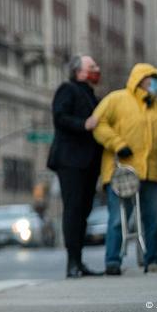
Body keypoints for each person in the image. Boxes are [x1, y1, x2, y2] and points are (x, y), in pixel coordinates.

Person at [91, 63, 157, 276]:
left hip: (151, 172)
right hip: (121, 173)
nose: (154, 84)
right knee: (118, 220)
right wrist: (118, 144)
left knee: (153, 220)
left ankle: (151, 259)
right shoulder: (116, 99)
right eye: (150, 79)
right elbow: (98, 124)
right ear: (140, 80)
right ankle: (113, 261)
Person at [47, 55, 104, 278]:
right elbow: (59, 117)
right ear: (78, 71)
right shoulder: (67, 89)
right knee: (73, 210)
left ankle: (79, 263)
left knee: (83, 211)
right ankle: (72, 263)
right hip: (70, 161)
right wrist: (84, 124)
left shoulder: (92, 95)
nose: (96, 70)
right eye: (92, 67)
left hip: (89, 163)